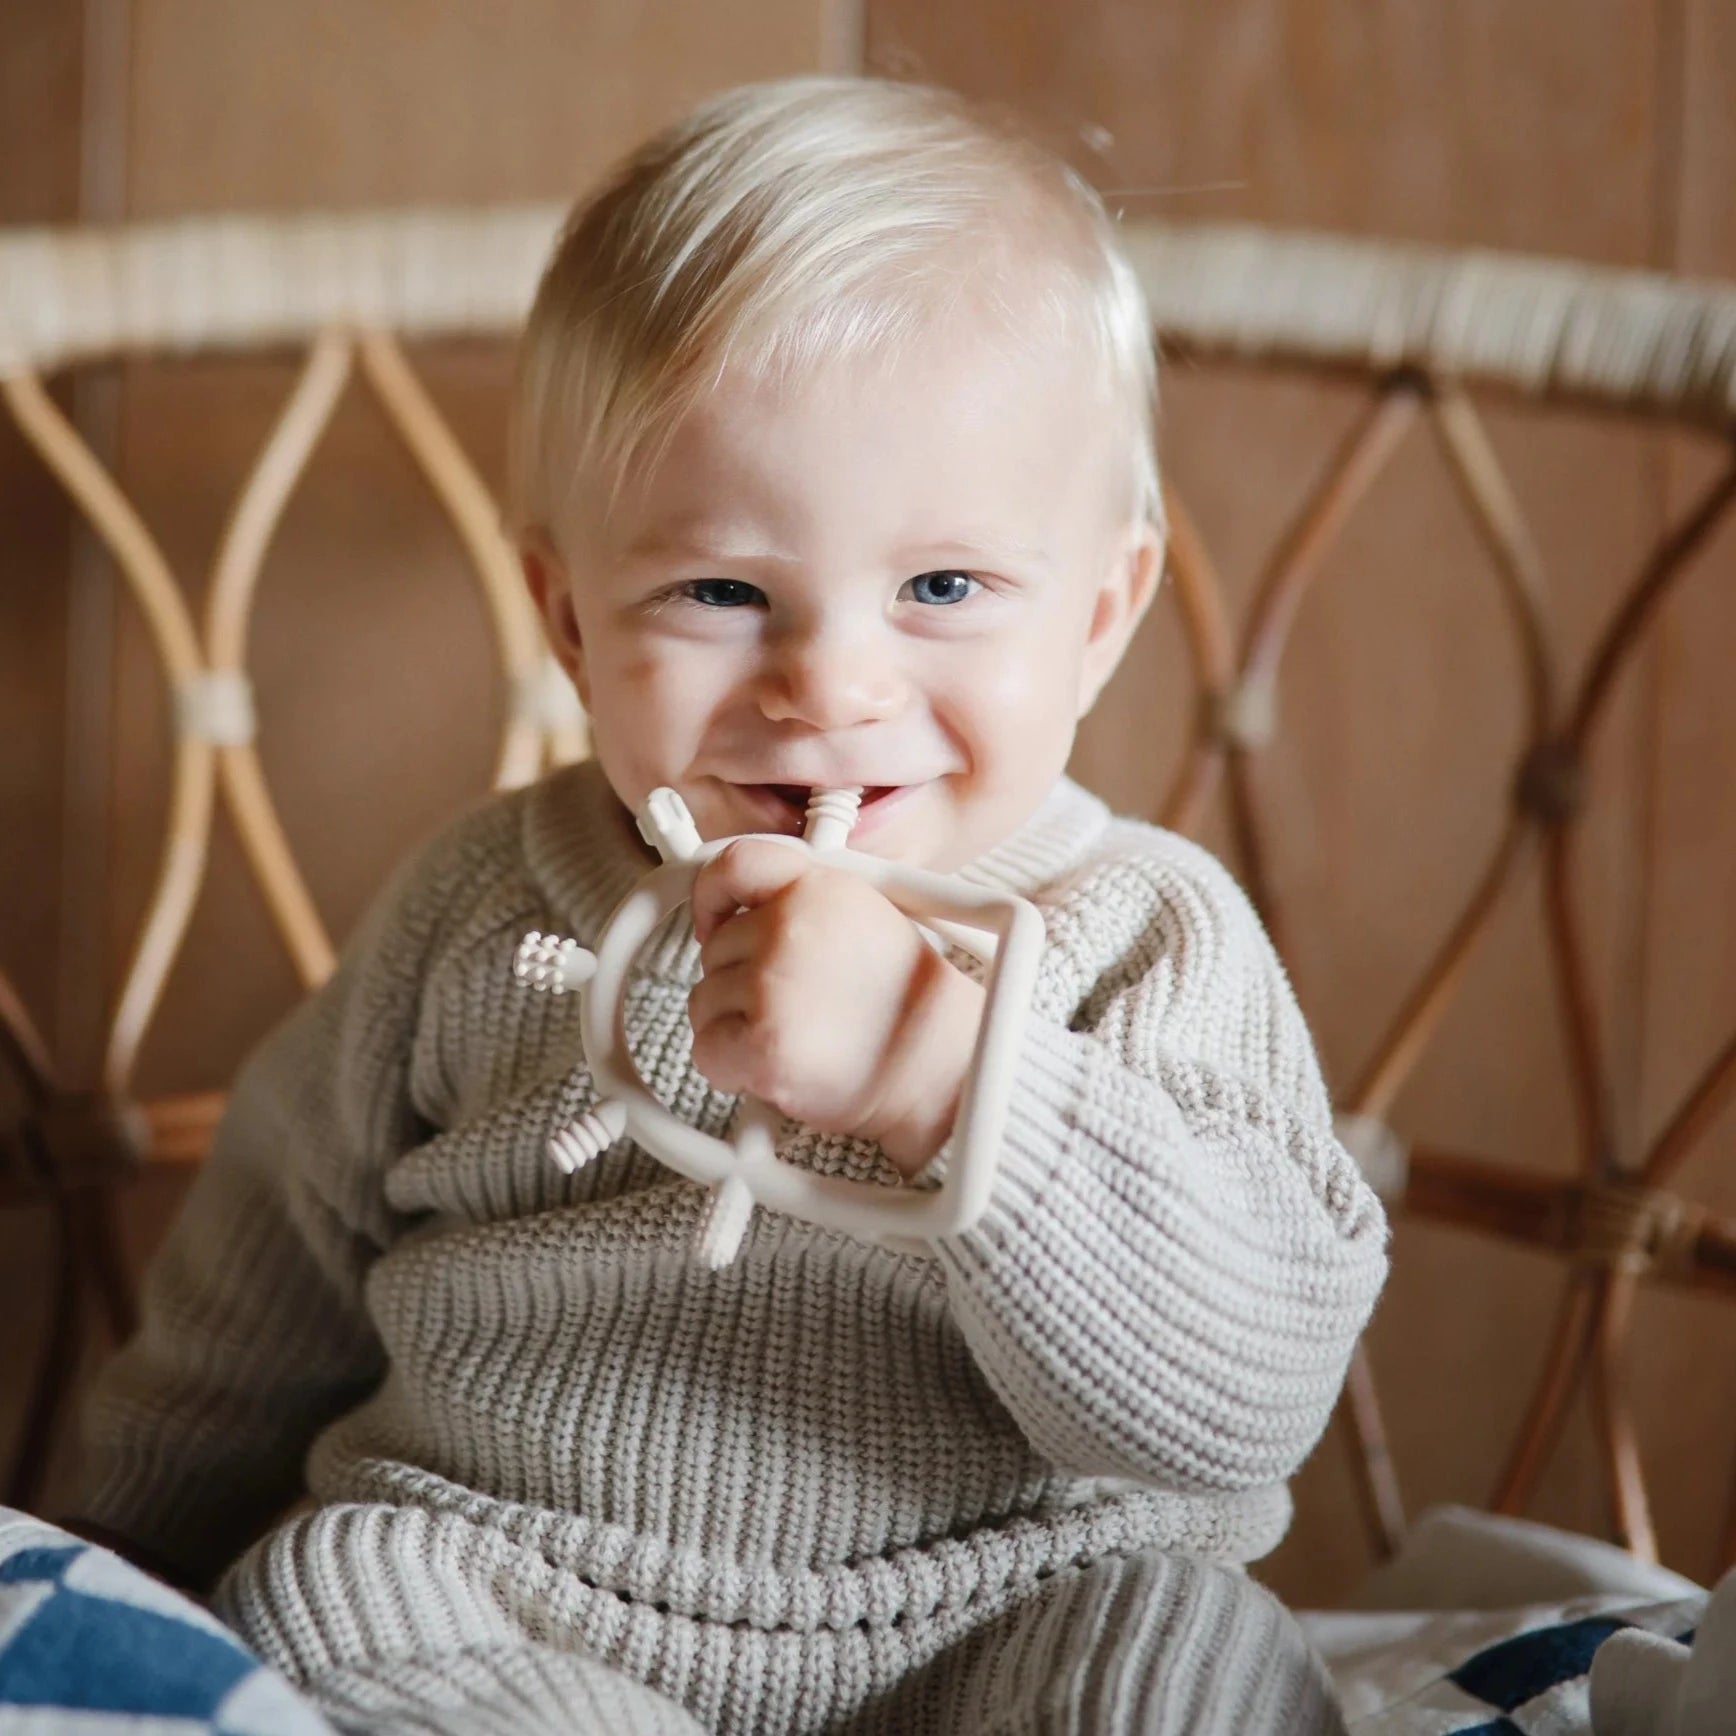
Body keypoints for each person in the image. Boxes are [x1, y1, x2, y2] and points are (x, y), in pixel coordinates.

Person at [68, 76, 1388, 1734]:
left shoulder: (1147, 936)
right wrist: (97, 1554)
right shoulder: (482, 909)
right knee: (329, 1593)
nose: (830, 684)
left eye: (944, 588)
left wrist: (946, 1074)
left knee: (1183, 1657)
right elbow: (251, 1308)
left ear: (1105, 612)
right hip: (518, 1580)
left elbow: (1249, 1394)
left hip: (1007, 1609)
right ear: (566, 618)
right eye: (717, 591)